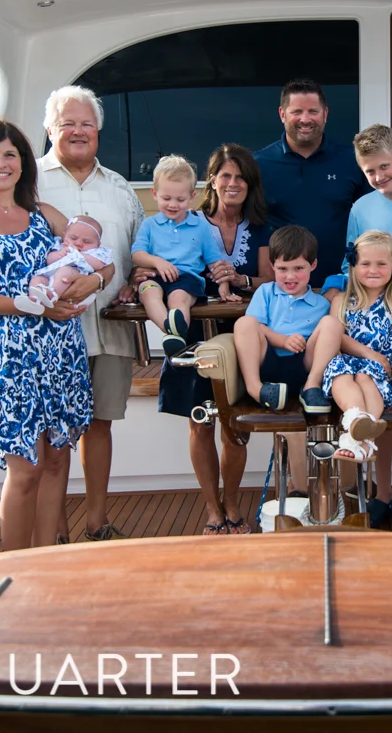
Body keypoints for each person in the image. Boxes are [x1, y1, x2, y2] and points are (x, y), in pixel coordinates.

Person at [0, 118, 110, 551]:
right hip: (7, 357)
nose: (1, 163)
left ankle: (46, 561)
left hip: (59, 352)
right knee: (26, 468)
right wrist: (28, 305)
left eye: (10, 154)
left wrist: (95, 281)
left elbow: (102, 259)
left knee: (55, 460)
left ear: (23, 163)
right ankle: (14, 566)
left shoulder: (44, 215)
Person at [37, 85, 144, 544]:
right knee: (54, 433)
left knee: (100, 425)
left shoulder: (119, 188)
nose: (78, 131)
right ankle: (55, 531)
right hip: (48, 331)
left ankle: (97, 524)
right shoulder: (29, 183)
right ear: (50, 130)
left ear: (98, 130)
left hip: (109, 329)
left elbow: (138, 253)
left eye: (86, 124)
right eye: (68, 124)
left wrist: (133, 280)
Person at [157, 143, 274, 535]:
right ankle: (212, 508)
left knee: (235, 426)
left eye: (241, 177)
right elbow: (160, 259)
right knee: (199, 422)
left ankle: (233, 503)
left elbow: (269, 279)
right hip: (192, 332)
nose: (233, 183)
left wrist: (239, 279)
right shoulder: (187, 220)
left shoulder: (261, 226)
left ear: (250, 183)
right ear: (212, 181)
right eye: (225, 175)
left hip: (241, 337)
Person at [315, 123, 392, 529]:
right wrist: (335, 291)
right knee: (375, 398)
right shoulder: (362, 207)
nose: (379, 176)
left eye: (384, 166)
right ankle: (382, 495)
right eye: (370, 171)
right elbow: (352, 259)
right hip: (372, 311)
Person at [316, 231, 392, 463]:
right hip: (349, 361)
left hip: (380, 368)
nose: (373, 270)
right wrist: (369, 354)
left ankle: (360, 438)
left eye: (381, 264)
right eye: (365, 264)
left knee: (365, 377)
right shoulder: (342, 299)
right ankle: (357, 423)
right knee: (340, 374)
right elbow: (337, 336)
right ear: (353, 267)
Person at [254, 78, 367, 289]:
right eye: (296, 112)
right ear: (282, 114)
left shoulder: (352, 161)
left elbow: (372, 215)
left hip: (340, 286)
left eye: (313, 112)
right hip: (283, 289)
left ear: (325, 114)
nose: (305, 119)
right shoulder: (259, 165)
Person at [131, 155, 236, 356]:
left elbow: (214, 262)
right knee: (148, 293)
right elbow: (137, 254)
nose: (173, 204)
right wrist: (156, 262)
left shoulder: (200, 227)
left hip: (186, 278)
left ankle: (175, 334)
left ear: (192, 196)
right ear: (154, 194)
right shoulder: (150, 225)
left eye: (180, 200)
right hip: (155, 275)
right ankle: (172, 332)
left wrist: (224, 287)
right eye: (166, 198)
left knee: (178, 299)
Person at [233, 225, 333, 410]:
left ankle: (312, 386)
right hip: (268, 361)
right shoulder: (265, 292)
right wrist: (283, 341)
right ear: (272, 266)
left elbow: (327, 342)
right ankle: (255, 389)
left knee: (331, 323)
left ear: (313, 265)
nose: (290, 276)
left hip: (304, 365)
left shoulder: (322, 304)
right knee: (245, 322)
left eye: (298, 268)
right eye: (282, 269)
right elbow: (257, 328)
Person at [18, 215, 113, 314]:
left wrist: (76, 253)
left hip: (74, 277)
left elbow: (98, 265)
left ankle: (52, 295)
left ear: (98, 244)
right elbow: (49, 260)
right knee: (38, 279)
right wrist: (59, 255)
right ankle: (34, 300)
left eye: (87, 241)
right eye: (73, 238)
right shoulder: (61, 246)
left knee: (65, 271)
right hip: (51, 278)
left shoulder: (96, 252)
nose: (78, 243)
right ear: (64, 236)